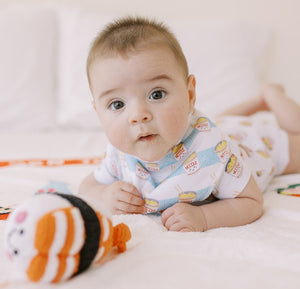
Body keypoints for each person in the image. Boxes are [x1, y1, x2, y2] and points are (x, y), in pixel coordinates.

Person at [79, 16, 300, 232]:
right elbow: (87, 187)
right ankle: (257, 101)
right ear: (98, 112)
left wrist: (203, 217)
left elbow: (251, 201)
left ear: (190, 94)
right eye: (117, 105)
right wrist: (105, 196)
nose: (138, 115)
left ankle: (271, 95)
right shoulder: (119, 154)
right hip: (220, 125)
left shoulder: (214, 151)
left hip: (255, 143)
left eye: (156, 94)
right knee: (220, 120)